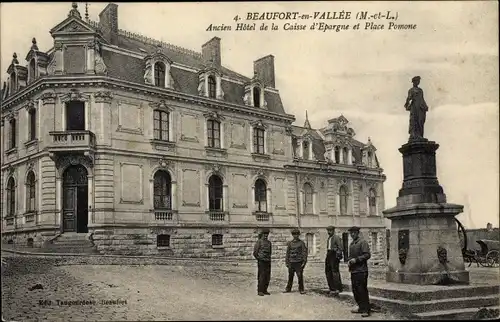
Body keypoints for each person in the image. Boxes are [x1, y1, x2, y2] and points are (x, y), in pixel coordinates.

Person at [347, 226, 372, 317]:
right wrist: (350, 261)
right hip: (354, 271)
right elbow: (350, 256)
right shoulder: (351, 244)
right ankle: (360, 307)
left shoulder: (363, 242)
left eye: (354, 232)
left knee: (362, 290)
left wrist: (356, 260)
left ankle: (366, 310)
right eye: (351, 233)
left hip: (361, 270)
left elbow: (367, 255)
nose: (352, 234)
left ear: (358, 233)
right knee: (355, 290)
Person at [404, 75, 429, 141]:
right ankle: (414, 135)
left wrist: (425, 106)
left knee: (420, 121)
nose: (418, 82)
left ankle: (420, 135)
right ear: (414, 82)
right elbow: (409, 98)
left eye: (419, 81)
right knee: (414, 121)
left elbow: (422, 99)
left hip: (420, 108)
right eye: (417, 80)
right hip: (414, 107)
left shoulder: (420, 90)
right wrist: (407, 104)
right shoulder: (411, 90)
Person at [284, 228, 308, 294]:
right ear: (292, 235)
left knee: (300, 276)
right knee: (290, 276)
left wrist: (304, 262)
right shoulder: (290, 243)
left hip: (298, 262)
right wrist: (286, 262)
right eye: (294, 234)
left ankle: (301, 289)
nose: (295, 236)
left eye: (297, 234)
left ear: (299, 235)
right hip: (291, 262)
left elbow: (304, 253)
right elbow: (287, 253)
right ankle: (288, 289)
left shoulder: (301, 243)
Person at [253, 228, 272, 296]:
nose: (266, 235)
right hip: (261, 261)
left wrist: (268, 258)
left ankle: (265, 290)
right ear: (262, 234)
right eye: (264, 234)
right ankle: (260, 291)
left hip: (268, 261)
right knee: (261, 276)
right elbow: (255, 252)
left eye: (267, 234)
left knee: (267, 276)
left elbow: (270, 252)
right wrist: (259, 259)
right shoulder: (259, 242)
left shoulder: (269, 242)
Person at [325, 226, 343, 295]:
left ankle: (338, 288)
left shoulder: (336, 238)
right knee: (328, 271)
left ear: (333, 231)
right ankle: (331, 288)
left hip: (334, 255)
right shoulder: (329, 238)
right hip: (329, 254)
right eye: (328, 231)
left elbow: (340, 247)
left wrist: (337, 255)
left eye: (330, 230)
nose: (329, 232)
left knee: (335, 271)